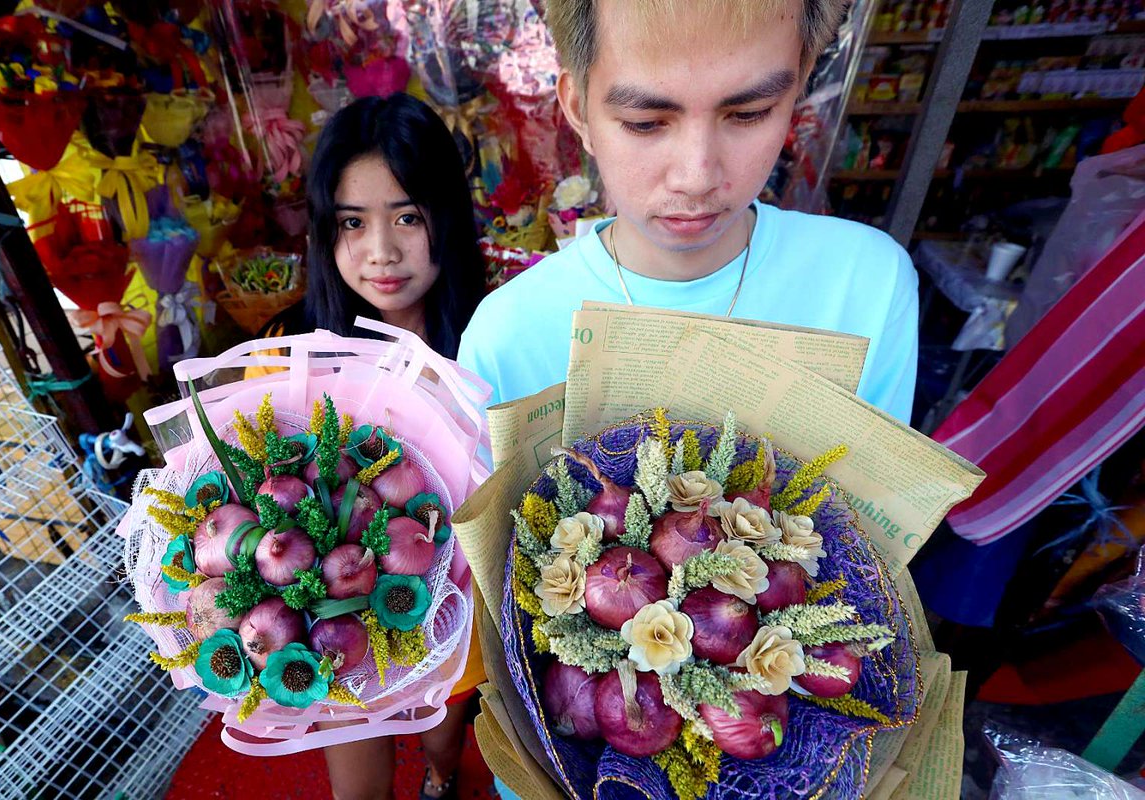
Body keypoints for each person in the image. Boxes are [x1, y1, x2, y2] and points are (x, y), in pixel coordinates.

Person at [458, 0, 919, 425]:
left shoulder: (866, 285)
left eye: (749, 113)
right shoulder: (510, 337)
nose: (696, 177)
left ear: (798, 87)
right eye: (645, 123)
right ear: (579, 110)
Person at [261, 94, 486, 800]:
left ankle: (442, 775)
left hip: (456, 607)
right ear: (325, 232)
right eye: (353, 222)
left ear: (445, 219)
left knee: (443, 738)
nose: (381, 252)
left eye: (408, 217)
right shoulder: (288, 355)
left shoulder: (490, 344)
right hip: (336, 612)